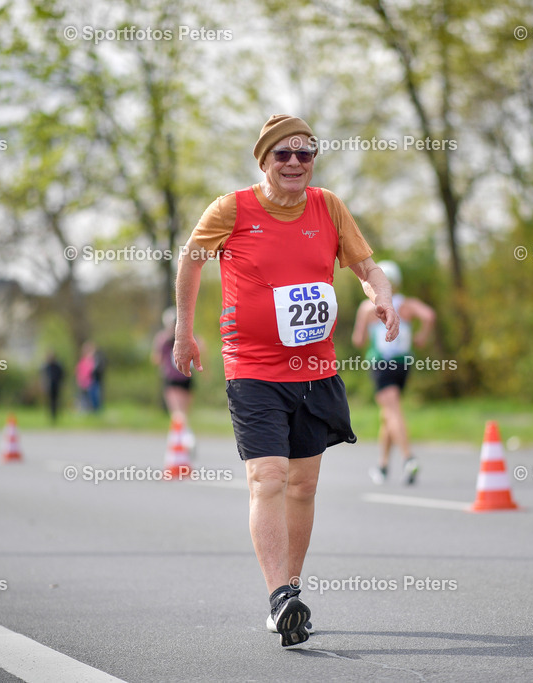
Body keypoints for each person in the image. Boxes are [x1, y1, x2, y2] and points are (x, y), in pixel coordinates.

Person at [172, 115, 399, 647]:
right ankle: (279, 598)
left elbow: (368, 267)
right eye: (284, 154)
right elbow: (191, 261)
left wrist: (380, 295)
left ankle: (290, 594)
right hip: (252, 366)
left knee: (303, 484)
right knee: (268, 476)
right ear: (264, 160)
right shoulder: (232, 209)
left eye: (305, 153)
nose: (295, 162)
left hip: (315, 368)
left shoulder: (328, 206)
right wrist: (185, 332)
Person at [352, 260, 436, 485]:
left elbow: (358, 340)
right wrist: (421, 336)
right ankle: (382, 466)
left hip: (382, 364)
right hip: (404, 364)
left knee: (392, 411)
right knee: (387, 414)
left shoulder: (367, 308)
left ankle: (409, 458)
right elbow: (428, 316)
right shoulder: (407, 305)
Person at [153, 307, 196, 445]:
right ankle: (182, 438)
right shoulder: (189, 337)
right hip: (187, 377)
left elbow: (156, 359)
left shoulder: (163, 339)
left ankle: (184, 439)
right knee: (182, 413)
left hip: (172, 379)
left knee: (177, 413)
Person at [42, 352, 64, 424]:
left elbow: (61, 375)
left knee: (56, 401)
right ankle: (50, 415)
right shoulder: (46, 367)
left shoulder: (58, 366)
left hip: (56, 386)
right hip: (49, 386)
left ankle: (56, 415)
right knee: (49, 402)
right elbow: (44, 377)